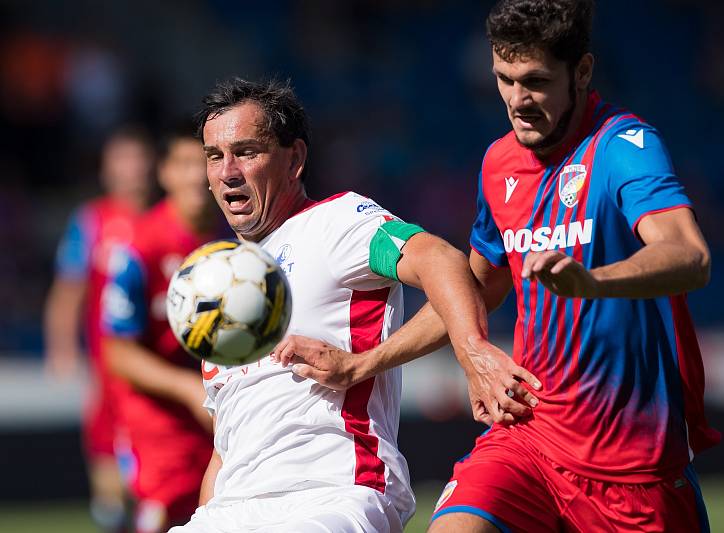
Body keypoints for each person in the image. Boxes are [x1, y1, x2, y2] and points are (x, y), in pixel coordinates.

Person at [278, 1, 722, 532]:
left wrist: (593, 281)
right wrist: (360, 364)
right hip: (528, 434)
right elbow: (474, 291)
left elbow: (689, 255)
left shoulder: (626, 146)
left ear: (581, 71)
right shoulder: (499, 163)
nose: (517, 100)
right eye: (504, 79)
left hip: (634, 466)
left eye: (535, 80)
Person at [168, 77, 536, 533]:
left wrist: (471, 353)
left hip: (330, 498)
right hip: (231, 509)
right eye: (214, 156)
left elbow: (441, 260)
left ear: (294, 159)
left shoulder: (337, 222)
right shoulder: (218, 283)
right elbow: (227, 443)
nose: (227, 172)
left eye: (246, 152)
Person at [102, 126, 223, 533]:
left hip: (218, 408)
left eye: (204, 163)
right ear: (165, 173)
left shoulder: (235, 243)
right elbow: (118, 352)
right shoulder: (140, 246)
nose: (195, 176)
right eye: (184, 164)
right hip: (158, 417)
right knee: (163, 512)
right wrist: (188, 389)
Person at [43, 126, 155, 532]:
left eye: (138, 159)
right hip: (108, 365)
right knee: (106, 451)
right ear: (107, 170)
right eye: (122, 160)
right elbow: (68, 291)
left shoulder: (165, 219)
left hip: (156, 363)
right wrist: (62, 348)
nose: (133, 169)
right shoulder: (91, 221)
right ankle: (113, 516)